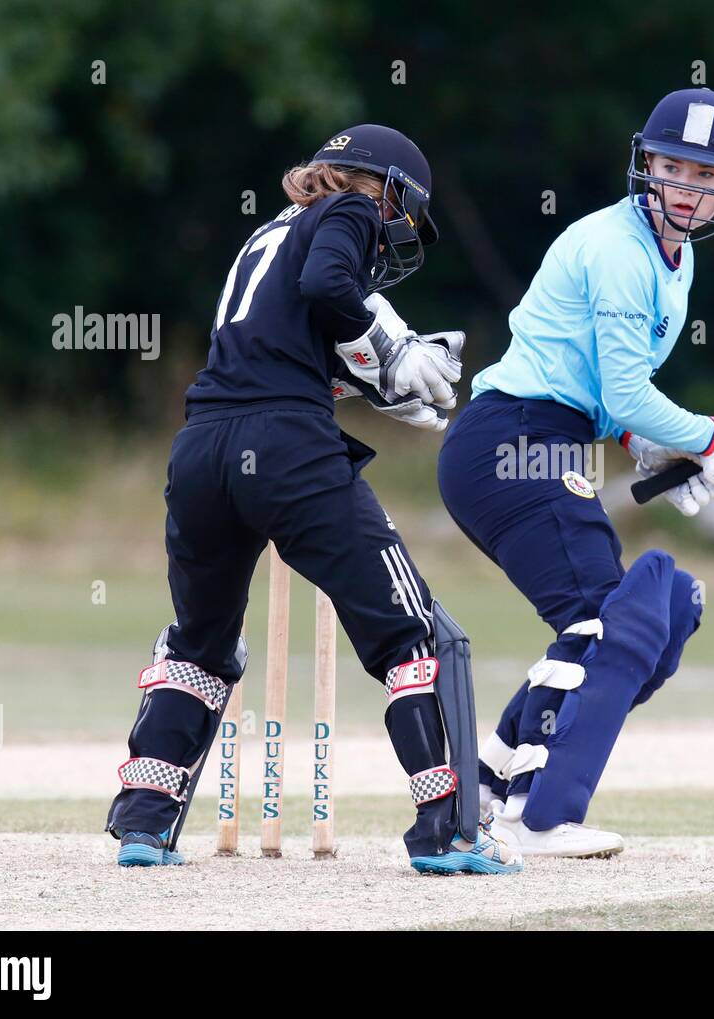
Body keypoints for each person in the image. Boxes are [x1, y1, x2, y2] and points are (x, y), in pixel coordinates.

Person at [105, 124, 522, 876]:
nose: (396, 231)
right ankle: (449, 830)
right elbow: (330, 289)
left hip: (202, 449)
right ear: (382, 186)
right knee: (412, 633)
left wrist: (373, 379)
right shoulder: (351, 210)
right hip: (287, 454)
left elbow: (286, 344)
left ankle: (144, 819)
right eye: (404, 212)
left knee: (200, 642)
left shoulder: (265, 234)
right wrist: (388, 351)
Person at [437, 88, 714, 858]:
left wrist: (662, 447)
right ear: (647, 165)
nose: (690, 189)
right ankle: (542, 810)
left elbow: (610, 394)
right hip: (516, 437)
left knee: (649, 621)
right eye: (675, 169)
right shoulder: (621, 251)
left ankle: (491, 781)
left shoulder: (677, 258)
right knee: (606, 619)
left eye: (710, 175)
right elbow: (625, 389)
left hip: (546, 436)